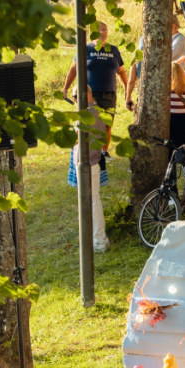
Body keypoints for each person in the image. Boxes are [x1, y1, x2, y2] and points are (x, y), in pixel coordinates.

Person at [66, 88, 110, 253]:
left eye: (76, 97)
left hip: (88, 162)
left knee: (92, 202)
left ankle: (98, 240)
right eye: (73, 98)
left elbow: (76, 138)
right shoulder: (97, 111)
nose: (74, 101)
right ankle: (98, 238)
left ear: (86, 95)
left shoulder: (87, 115)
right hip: (93, 160)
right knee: (93, 201)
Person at [61, 21, 128, 116]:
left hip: (109, 96)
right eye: (98, 30)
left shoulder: (114, 50)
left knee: (106, 128)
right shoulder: (85, 49)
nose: (102, 32)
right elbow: (73, 70)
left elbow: (121, 72)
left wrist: (127, 89)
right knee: (89, 127)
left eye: (104, 29)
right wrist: (65, 89)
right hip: (89, 96)